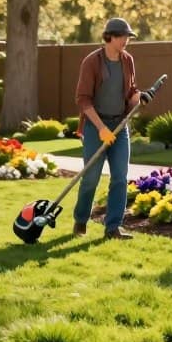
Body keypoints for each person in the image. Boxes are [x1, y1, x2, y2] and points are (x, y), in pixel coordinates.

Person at [72, 17, 153, 240]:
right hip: (94, 125)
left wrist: (140, 97)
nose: (126, 40)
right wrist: (100, 128)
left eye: (128, 37)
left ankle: (113, 227)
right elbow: (83, 99)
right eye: (123, 36)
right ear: (111, 37)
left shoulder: (128, 60)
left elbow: (131, 91)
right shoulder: (92, 62)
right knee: (91, 177)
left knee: (120, 176)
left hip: (120, 124)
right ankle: (80, 220)